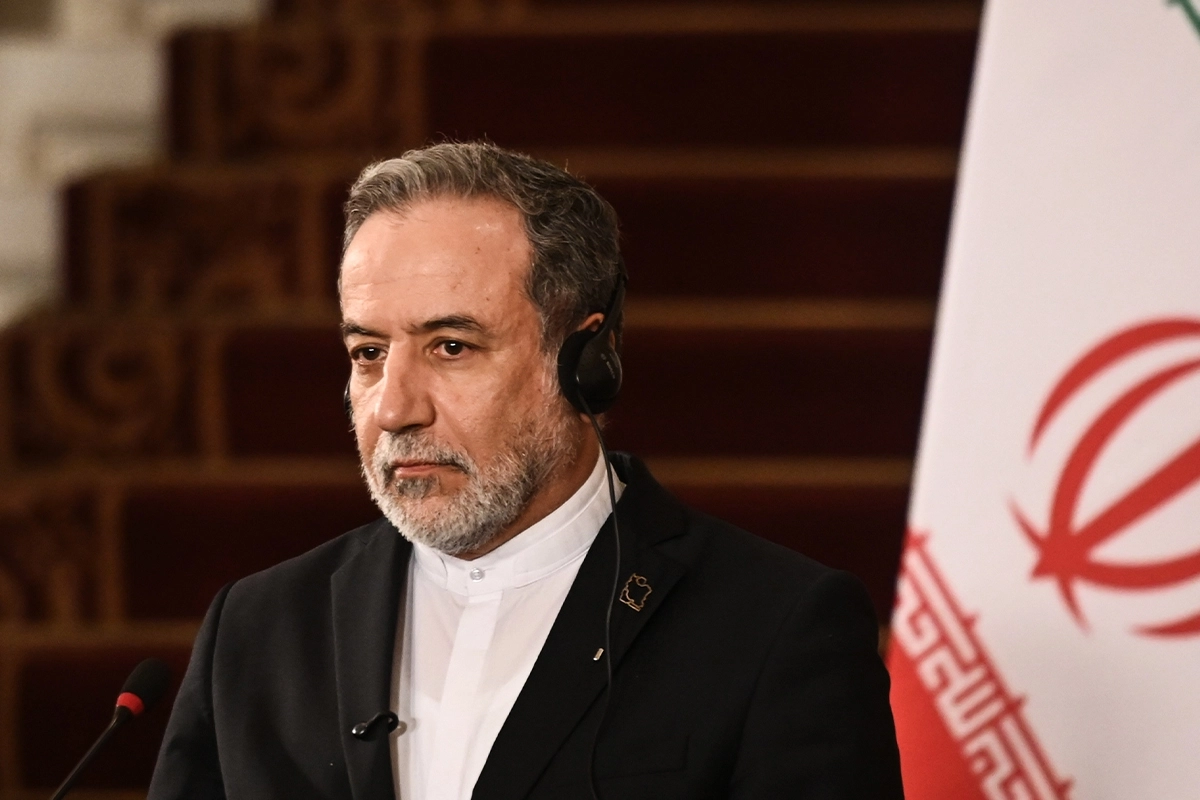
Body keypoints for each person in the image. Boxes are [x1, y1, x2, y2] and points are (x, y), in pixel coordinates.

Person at [147, 142, 903, 800]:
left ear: (585, 361)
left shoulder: (773, 628)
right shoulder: (258, 628)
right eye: (368, 353)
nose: (394, 408)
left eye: (451, 347)